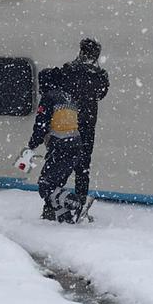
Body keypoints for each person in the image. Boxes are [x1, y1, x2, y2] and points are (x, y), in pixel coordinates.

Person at [20, 38, 109, 222]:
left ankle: (56, 206)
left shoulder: (68, 72)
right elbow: (101, 93)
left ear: (81, 52)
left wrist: (32, 145)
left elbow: (52, 83)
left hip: (66, 124)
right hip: (87, 125)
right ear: (96, 55)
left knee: (57, 170)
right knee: (83, 167)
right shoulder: (100, 76)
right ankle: (79, 203)